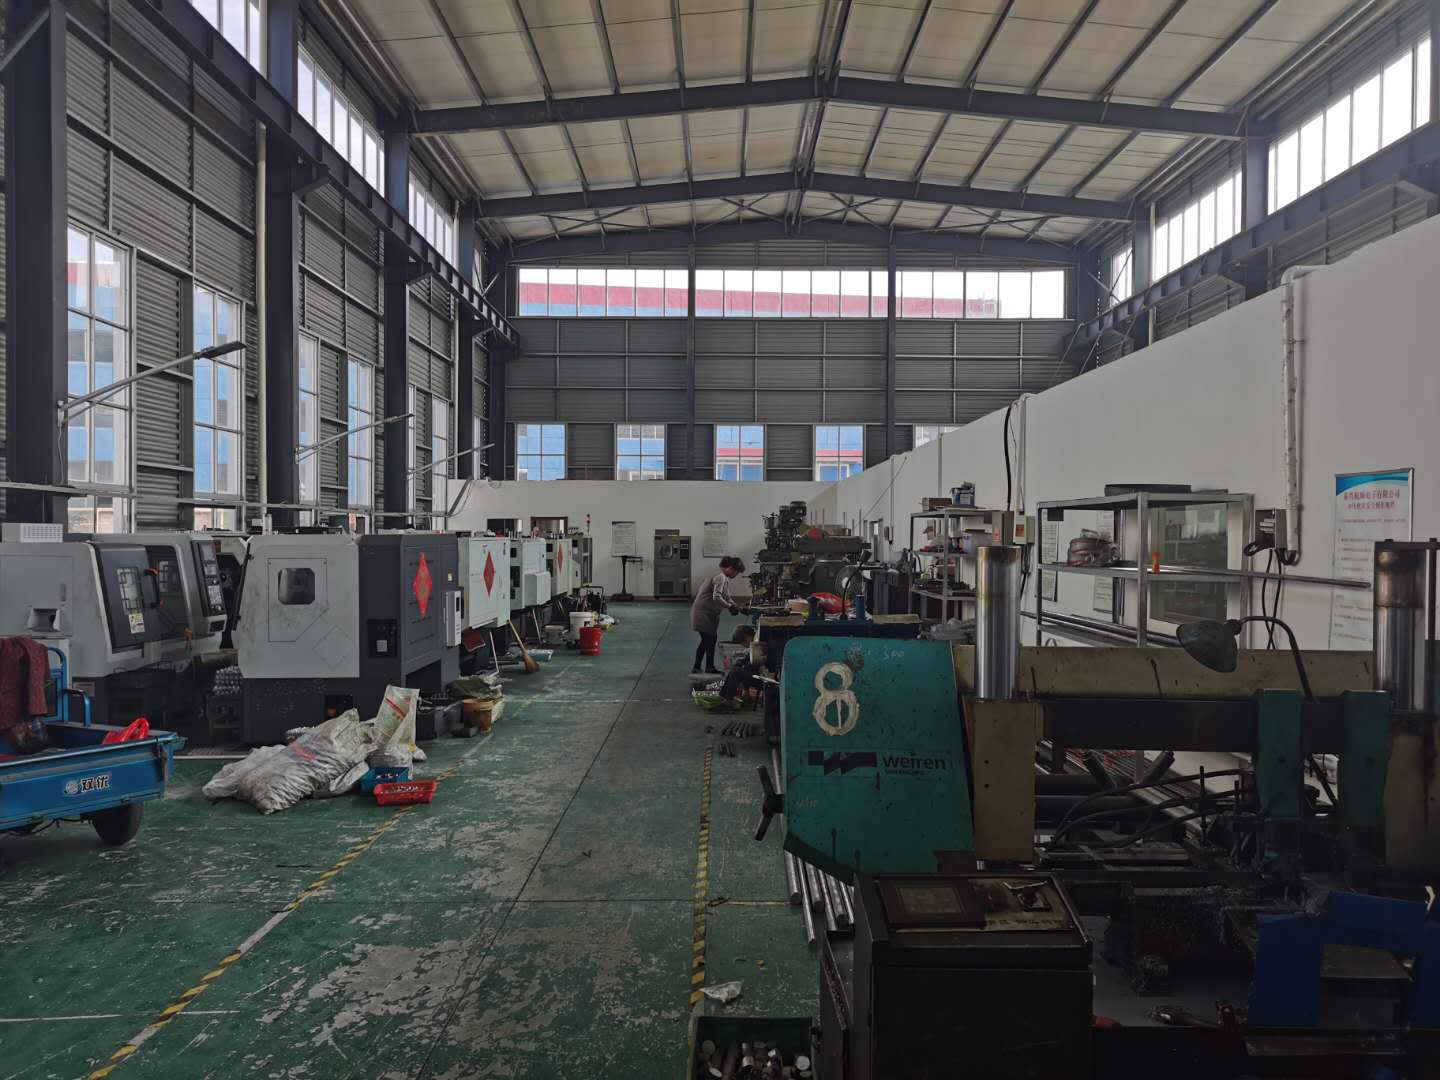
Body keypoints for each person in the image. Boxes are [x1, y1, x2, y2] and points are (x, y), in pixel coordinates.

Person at [691, 555, 746, 674]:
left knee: (709, 639)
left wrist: (740, 608)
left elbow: (727, 597)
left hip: (707, 613)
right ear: (730, 568)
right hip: (704, 613)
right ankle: (700, 667)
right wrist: (730, 607)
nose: (736, 575)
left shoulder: (722, 577)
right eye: (736, 572)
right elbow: (716, 597)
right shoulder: (720, 577)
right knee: (708, 640)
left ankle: (706, 667)